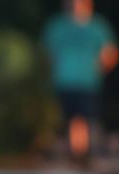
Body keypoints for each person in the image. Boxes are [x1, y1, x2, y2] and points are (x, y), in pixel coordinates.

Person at [43, 0, 117, 158]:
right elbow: (49, 53)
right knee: (70, 120)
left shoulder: (97, 26)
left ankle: (89, 156)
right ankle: (76, 156)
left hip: (88, 82)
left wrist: (97, 68)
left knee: (89, 119)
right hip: (65, 81)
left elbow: (110, 52)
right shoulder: (58, 26)